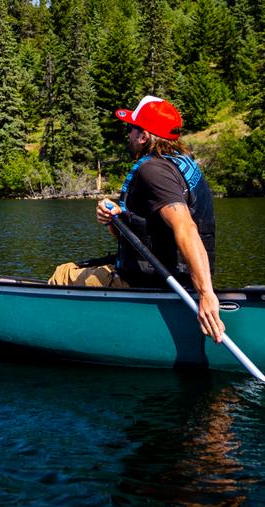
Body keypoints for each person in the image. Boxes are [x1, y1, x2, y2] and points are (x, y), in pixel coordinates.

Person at [47, 95, 225, 342]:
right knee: (85, 268)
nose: (128, 134)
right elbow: (151, 232)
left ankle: (68, 339)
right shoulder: (182, 162)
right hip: (173, 274)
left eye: (132, 127)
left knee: (62, 274)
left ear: (143, 136)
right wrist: (117, 219)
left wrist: (206, 294)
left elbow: (186, 226)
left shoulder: (153, 171)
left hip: (155, 281)